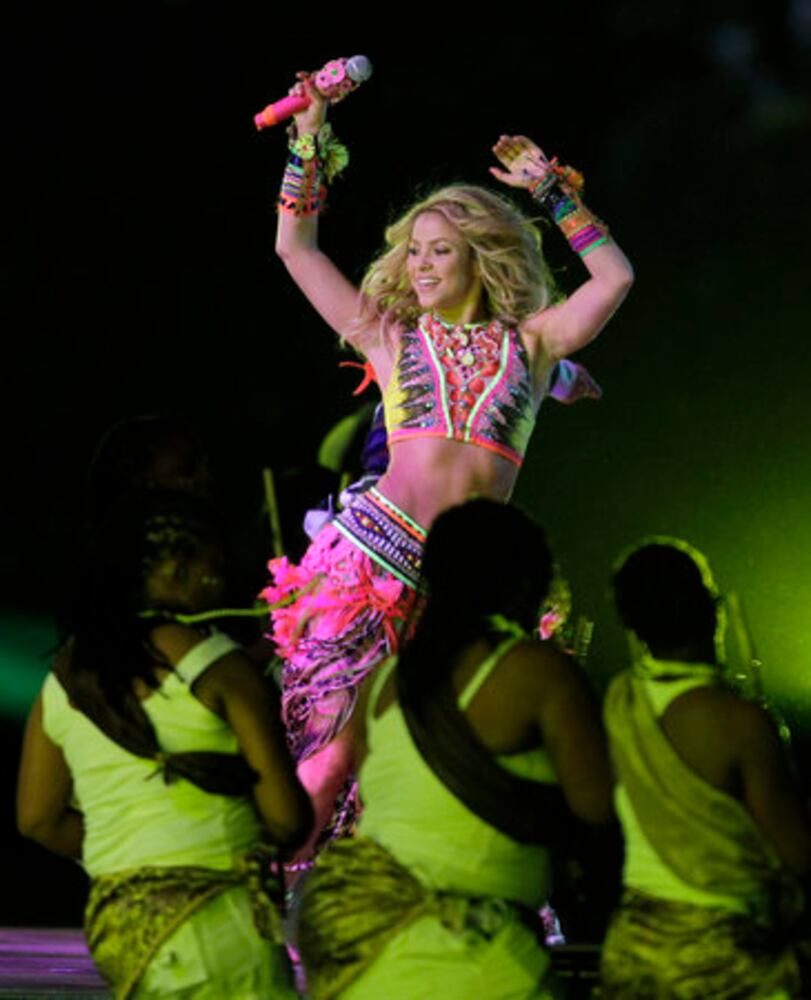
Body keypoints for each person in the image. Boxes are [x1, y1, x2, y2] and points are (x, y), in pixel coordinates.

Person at [262, 70, 635, 859]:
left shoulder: (532, 344)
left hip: (472, 587)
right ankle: (275, 898)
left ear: (480, 258)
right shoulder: (388, 337)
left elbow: (616, 278)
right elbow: (294, 247)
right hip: (371, 559)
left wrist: (551, 191)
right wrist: (309, 140)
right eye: (415, 252)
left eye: (440, 251)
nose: (422, 265)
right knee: (329, 766)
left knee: (459, 772)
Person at [293, 497, 614, 999]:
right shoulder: (537, 671)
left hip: (369, 950)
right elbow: (599, 819)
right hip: (477, 961)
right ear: (524, 583)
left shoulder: (384, 681)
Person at [17, 490, 313, 999]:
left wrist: (133, 851)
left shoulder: (63, 680)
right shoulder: (223, 670)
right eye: (211, 570)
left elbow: (37, 819)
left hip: (124, 930)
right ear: (176, 570)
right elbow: (287, 819)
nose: (218, 583)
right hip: (221, 928)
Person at [599, 538, 811, 998]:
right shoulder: (740, 722)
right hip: (726, 959)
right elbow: (797, 856)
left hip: (634, 955)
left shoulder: (618, 705)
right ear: (712, 611)